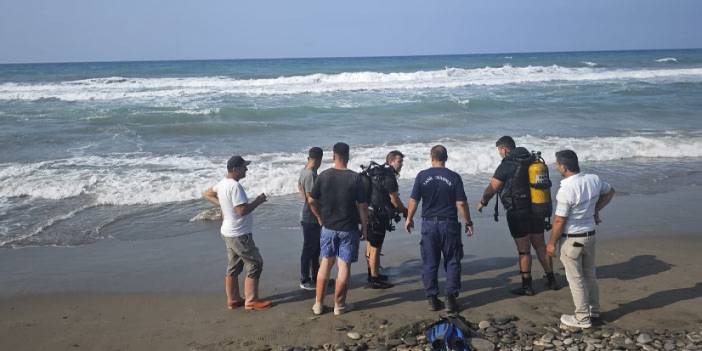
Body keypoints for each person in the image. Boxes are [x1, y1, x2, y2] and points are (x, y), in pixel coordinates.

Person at [477, 136, 558, 296]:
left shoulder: (507, 165)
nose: (499, 153)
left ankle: (527, 286)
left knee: (524, 251)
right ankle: (551, 279)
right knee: (540, 246)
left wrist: (483, 202)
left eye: (499, 150)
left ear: (504, 149)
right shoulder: (532, 160)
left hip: (517, 211)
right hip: (537, 208)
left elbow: (493, 188)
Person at [546, 150, 615, 329]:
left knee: (575, 279)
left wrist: (552, 243)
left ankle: (582, 318)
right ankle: (594, 311)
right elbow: (610, 192)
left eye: (557, 164)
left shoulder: (566, 190)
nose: (556, 166)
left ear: (564, 166)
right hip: (590, 235)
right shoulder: (593, 179)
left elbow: (560, 220)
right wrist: (595, 210)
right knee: (590, 275)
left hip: (572, 240)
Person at [405, 145, 474, 313]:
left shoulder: (422, 176)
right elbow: (461, 203)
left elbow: (414, 200)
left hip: (429, 225)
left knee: (430, 262)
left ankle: (432, 299)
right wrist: (468, 222)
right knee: (452, 260)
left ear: (431, 157)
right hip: (449, 223)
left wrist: (409, 218)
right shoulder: (454, 177)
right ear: (446, 158)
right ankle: (450, 298)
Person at [202, 155, 273, 311]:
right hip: (239, 233)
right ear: (235, 169)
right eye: (244, 167)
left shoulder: (222, 184)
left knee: (234, 265)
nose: (246, 169)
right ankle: (251, 301)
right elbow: (242, 211)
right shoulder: (234, 186)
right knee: (255, 263)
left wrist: (223, 205)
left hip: (228, 231)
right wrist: (258, 201)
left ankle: (233, 299)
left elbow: (206, 193)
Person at [308, 142, 369, 315]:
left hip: (328, 227)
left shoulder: (324, 176)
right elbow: (363, 206)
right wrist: (364, 228)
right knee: (344, 266)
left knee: (325, 263)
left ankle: (318, 304)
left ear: (333, 156)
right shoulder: (355, 178)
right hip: (348, 228)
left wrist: (319, 217)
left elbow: (311, 200)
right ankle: (339, 305)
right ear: (348, 157)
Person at [363, 150, 407, 289]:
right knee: (375, 247)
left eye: (402, 161)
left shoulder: (377, 172)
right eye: (399, 161)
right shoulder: (388, 176)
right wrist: (404, 210)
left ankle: (372, 273)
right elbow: (394, 199)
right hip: (378, 215)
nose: (401, 164)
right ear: (391, 161)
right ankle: (375, 279)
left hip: (369, 212)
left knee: (370, 245)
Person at [297, 147, 324, 291]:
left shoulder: (304, 170)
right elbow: (312, 200)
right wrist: (320, 217)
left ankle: (316, 276)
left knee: (315, 248)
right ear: (319, 159)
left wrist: (305, 200)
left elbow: (299, 187)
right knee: (309, 249)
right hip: (310, 217)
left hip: (307, 213)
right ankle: (305, 279)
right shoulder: (311, 175)